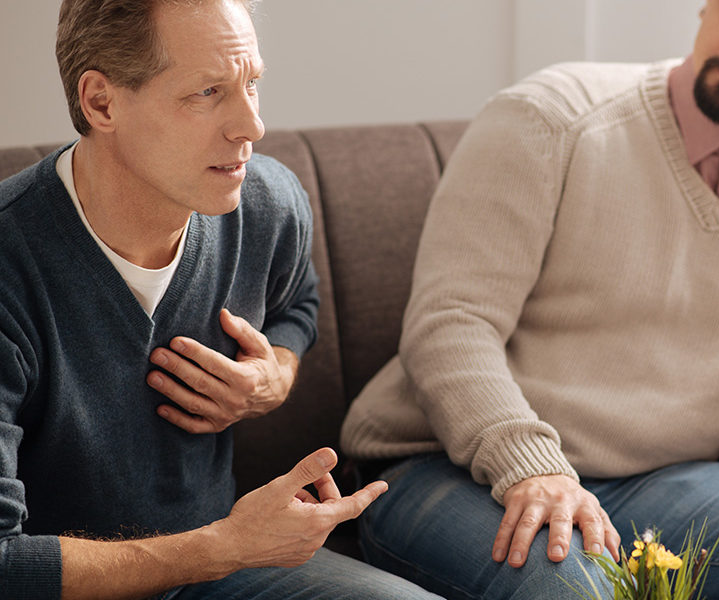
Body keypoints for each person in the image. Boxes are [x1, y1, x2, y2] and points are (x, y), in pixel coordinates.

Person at [341, 0, 719, 597]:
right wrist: (534, 468)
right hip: (440, 466)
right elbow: (451, 323)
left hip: (658, 484)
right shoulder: (551, 116)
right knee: (573, 584)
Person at [0, 1, 441, 598]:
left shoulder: (266, 206)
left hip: (220, 568)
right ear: (101, 102)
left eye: (251, 84)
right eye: (207, 91)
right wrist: (225, 546)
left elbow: (297, 306)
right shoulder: (11, 264)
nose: (252, 127)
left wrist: (273, 377)